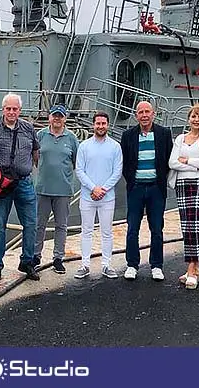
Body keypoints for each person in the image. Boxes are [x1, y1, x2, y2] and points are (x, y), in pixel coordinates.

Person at [0, 93, 40, 282]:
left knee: (31, 224)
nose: (11, 112)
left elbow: (35, 150)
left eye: (15, 109)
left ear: (20, 111)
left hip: (24, 182)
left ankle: (27, 262)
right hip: (2, 186)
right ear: (3, 110)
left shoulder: (28, 129)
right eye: (8, 108)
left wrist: (28, 168)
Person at [120, 101, 173, 281]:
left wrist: (159, 181)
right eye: (140, 112)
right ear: (136, 116)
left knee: (157, 228)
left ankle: (156, 265)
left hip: (156, 189)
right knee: (132, 228)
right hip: (136, 188)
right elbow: (125, 163)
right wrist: (133, 181)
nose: (144, 115)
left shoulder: (164, 134)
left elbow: (168, 160)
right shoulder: (127, 135)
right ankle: (132, 265)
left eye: (147, 112)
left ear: (153, 114)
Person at [168, 104, 199, 290]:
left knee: (195, 225)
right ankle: (195, 267)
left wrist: (187, 161)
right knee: (186, 226)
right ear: (189, 118)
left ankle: (190, 269)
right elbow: (172, 162)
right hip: (182, 185)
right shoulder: (180, 139)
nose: (196, 120)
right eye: (193, 116)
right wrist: (197, 165)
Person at [74, 111, 123, 279]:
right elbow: (79, 170)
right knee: (86, 230)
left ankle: (106, 264)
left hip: (107, 198)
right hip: (88, 196)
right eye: (98, 123)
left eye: (103, 123)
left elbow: (117, 172)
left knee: (106, 231)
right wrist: (93, 188)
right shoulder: (84, 146)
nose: (100, 126)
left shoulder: (115, 147)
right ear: (93, 125)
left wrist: (103, 189)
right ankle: (85, 264)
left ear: (107, 125)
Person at [33, 104, 79, 275]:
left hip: (63, 189)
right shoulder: (40, 135)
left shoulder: (72, 138)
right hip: (43, 188)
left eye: (60, 116)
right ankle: (36, 256)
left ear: (65, 118)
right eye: (54, 115)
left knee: (61, 225)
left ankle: (58, 258)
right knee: (39, 224)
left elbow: (75, 161)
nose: (57, 119)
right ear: (50, 117)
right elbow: (36, 158)